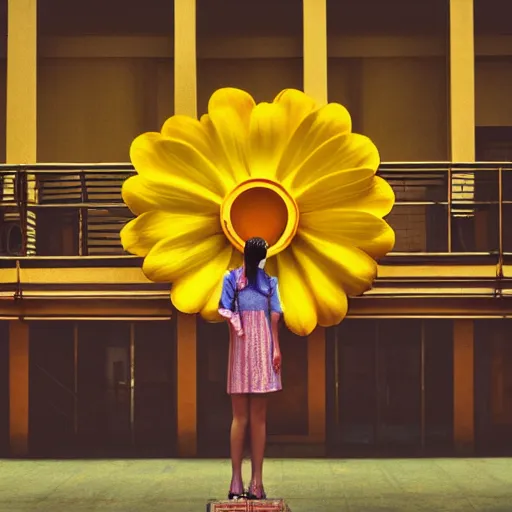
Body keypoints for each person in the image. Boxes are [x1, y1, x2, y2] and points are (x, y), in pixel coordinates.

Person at [218, 237, 283, 500]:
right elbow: (223, 307)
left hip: (264, 345)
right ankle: (236, 479)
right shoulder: (232, 278)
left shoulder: (271, 282)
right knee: (240, 417)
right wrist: (238, 324)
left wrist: (276, 348)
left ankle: (257, 482)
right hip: (241, 346)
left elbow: (275, 314)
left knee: (258, 418)